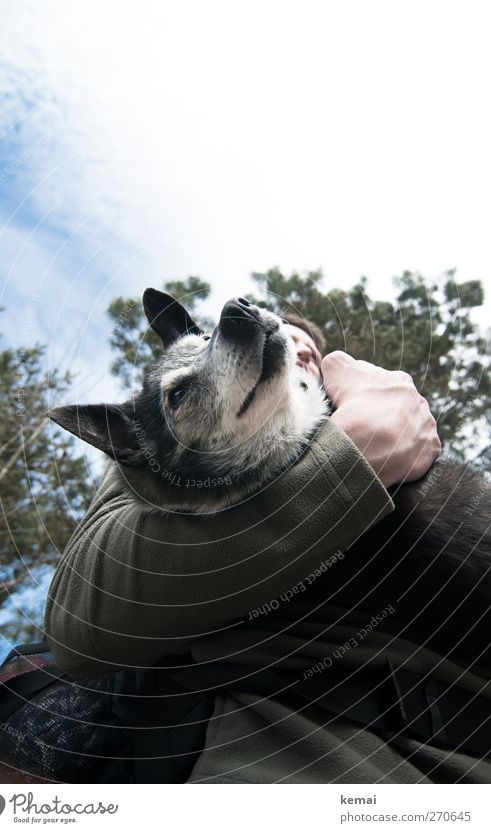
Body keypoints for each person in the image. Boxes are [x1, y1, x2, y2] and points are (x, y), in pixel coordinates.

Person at [44, 314, 490, 783]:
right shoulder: (156, 473)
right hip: (302, 753)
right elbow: (79, 623)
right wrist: (354, 456)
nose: (288, 346)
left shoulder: (393, 418)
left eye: (308, 350)